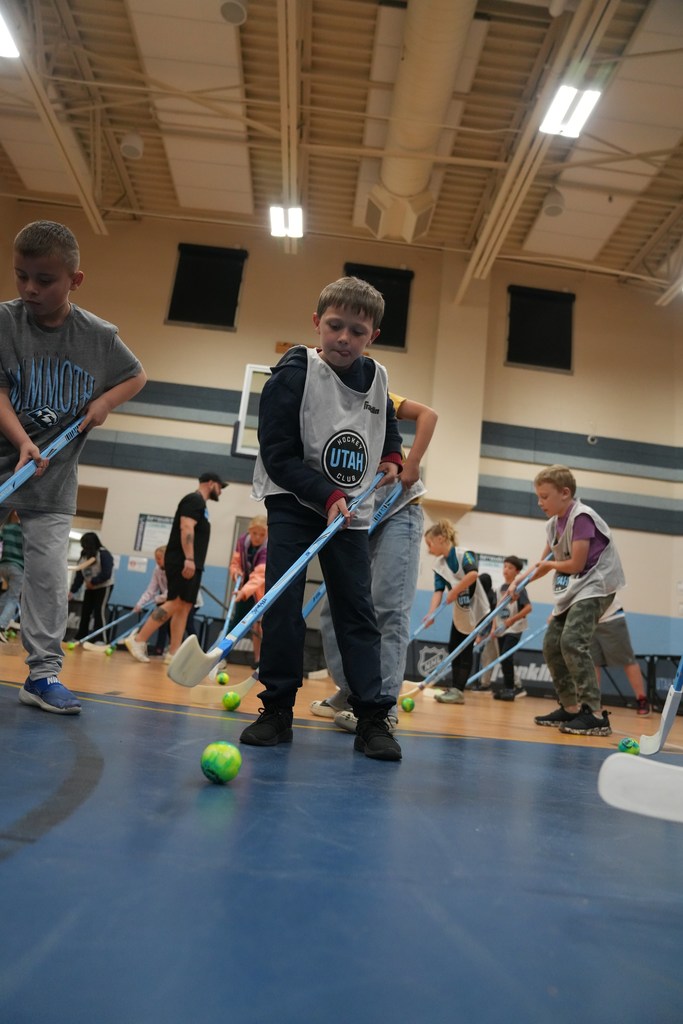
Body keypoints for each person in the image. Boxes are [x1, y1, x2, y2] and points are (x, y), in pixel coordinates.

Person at [240, 275, 403, 761]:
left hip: (350, 511)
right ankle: (276, 710)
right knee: (284, 603)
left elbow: (387, 424)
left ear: (372, 334)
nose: (344, 338)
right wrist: (324, 492)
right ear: (316, 323)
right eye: (335, 326)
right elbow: (277, 454)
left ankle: (372, 716)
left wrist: (392, 455)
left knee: (358, 610)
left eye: (357, 330)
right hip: (295, 502)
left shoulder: (378, 376)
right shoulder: (294, 371)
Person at [0, 219, 146, 714]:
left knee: (47, 577)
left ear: (75, 280)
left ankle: (42, 674)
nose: (29, 289)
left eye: (44, 280)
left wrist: (105, 402)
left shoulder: (99, 337)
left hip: (55, 477)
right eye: (21, 276)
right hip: (6, 461)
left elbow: (137, 376)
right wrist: (21, 441)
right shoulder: (5, 321)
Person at [311, 393, 438, 732]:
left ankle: (382, 706)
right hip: (355, 514)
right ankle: (353, 691)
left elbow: (428, 414)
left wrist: (412, 463)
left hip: (397, 509)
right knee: (332, 607)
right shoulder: (318, 399)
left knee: (387, 608)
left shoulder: (375, 388)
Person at [516, 464, 625, 737]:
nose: (540, 502)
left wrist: (548, 566)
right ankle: (571, 707)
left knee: (572, 642)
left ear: (565, 493)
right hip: (578, 588)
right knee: (552, 645)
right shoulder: (553, 523)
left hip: (597, 585)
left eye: (544, 496)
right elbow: (545, 562)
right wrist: (519, 584)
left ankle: (596, 714)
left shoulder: (582, 517)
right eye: (538, 497)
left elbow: (574, 563)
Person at [124, 472, 227, 665]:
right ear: (211, 483)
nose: (221, 491)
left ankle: (173, 653)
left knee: (184, 607)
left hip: (192, 563)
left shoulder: (201, 505)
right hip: (183, 561)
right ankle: (138, 640)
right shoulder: (193, 500)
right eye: (220, 487)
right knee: (175, 602)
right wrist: (188, 558)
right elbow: (186, 528)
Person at [422, 519, 489, 704]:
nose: (428, 548)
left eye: (429, 543)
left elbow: (473, 574)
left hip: (475, 609)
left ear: (441, 538)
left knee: (464, 649)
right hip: (461, 610)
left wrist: (455, 590)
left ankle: (459, 691)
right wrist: (431, 613)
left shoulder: (464, 554)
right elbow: (438, 591)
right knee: (453, 647)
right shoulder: (439, 564)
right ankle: (454, 688)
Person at [592, 599, 650, 716]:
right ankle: (594, 702)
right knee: (591, 662)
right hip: (588, 622)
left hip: (611, 617)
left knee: (627, 659)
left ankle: (641, 700)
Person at [227, 514, 268, 668]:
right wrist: (235, 571)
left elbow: (259, 575)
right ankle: (221, 655)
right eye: (254, 533)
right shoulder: (242, 541)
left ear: (267, 533)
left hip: (262, 589)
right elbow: (235, 562)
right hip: (244, 587)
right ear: (249, 530)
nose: (257, 537)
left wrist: (244, 591)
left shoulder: (267, 547)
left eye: (262, 534)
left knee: (259, 626)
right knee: (236, 621)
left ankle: (259, 660)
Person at [491, 555, 532, 702]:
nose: (506, 570)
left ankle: (511, 688)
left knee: (506, 656)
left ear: (517, 572)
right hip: (502, 628)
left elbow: (528, 608)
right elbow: (496, 611)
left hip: (515, 628)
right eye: (505, 566)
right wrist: (493, 628)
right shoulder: (499, 589)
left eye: (510, 567)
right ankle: (508, 687)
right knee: (503, 658)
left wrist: (512, 620)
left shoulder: (520, 589)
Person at [68, 531, 115, 642]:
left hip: (103, 587)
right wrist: (72, 591)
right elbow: (80, 574)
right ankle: (80, 636)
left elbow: (107, 573)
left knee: (99, 611)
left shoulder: (103, 554)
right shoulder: (84, 556)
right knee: (85, 612)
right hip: (89, 588)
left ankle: (101, 639)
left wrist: (93, 582)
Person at [134, 545, 169, 655]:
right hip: (164, 597)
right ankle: (159, 649)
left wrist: (159, 598)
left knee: (185, 625)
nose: (157, 561)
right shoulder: (157, 570)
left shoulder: (173, 569)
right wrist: (139, 604)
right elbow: (151, 589)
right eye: (156, 558)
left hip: (183, 599)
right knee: (162, 622)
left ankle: (176, 650)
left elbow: (174, 590)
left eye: (159, 558)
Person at [469, 571, 498, 692]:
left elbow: (489, 618)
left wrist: (481, 634)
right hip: (480, 630)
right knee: (478, 656)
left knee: (484, 657)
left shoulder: (490, 597)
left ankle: (481, 683)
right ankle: (476, 682)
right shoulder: (482, 595)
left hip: (488, 631)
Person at [0, 511, 24, 642]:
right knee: (14, 598)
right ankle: (1, 626)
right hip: (18, 567)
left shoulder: (7, 528)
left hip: (3, 566)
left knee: (8, 594)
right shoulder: (27, 533)